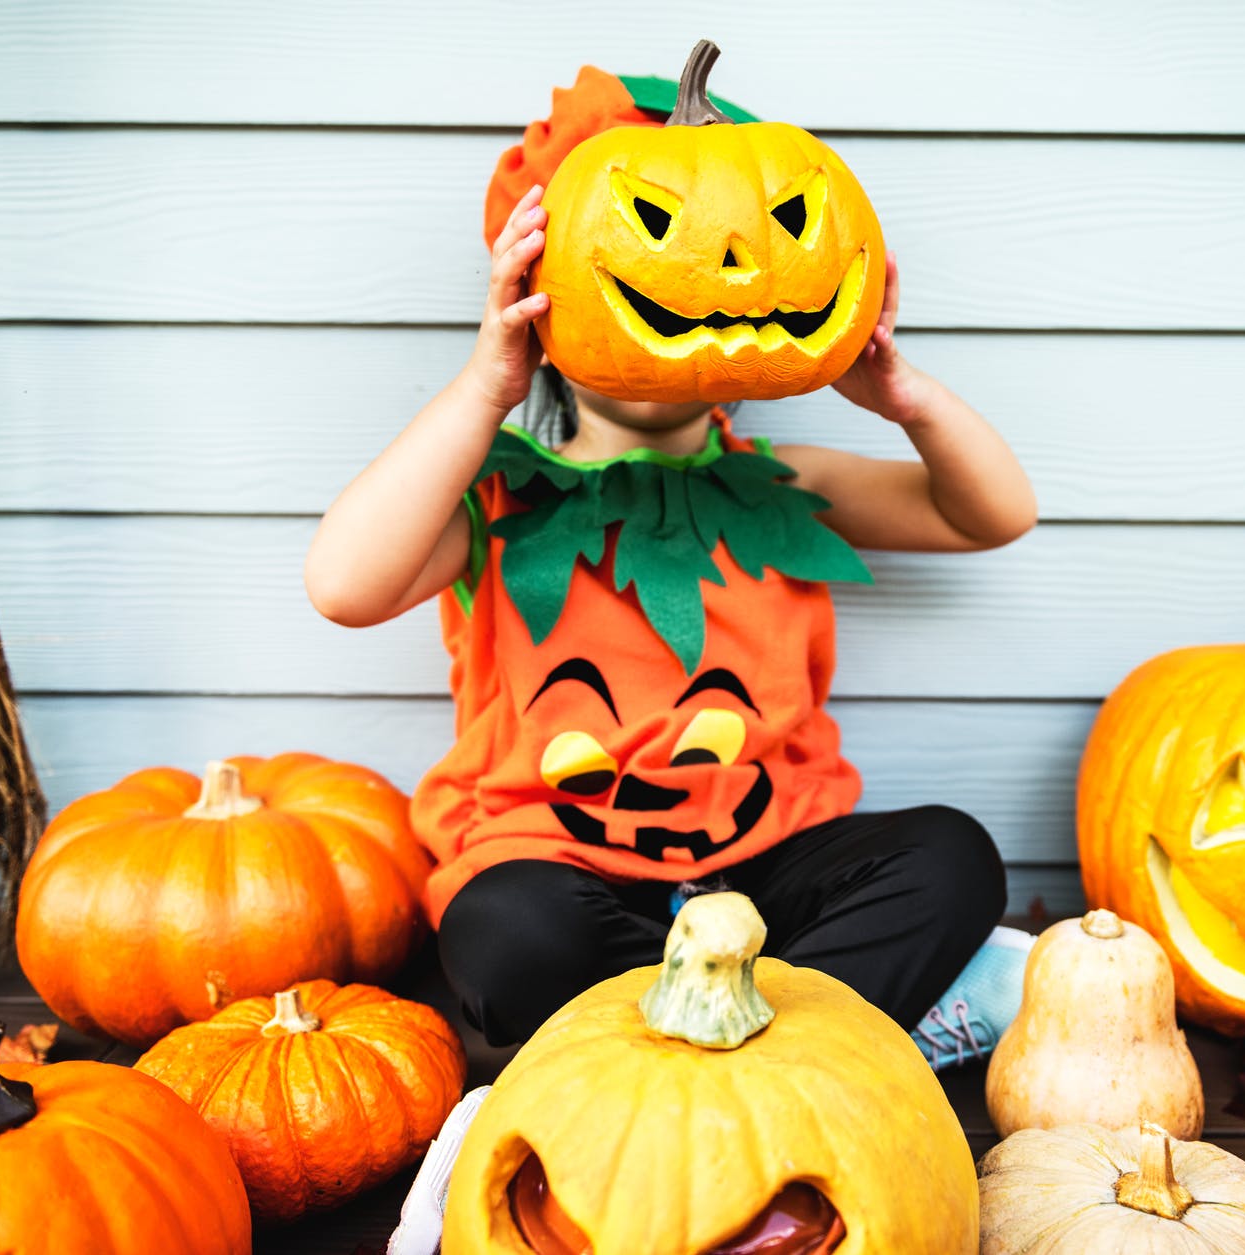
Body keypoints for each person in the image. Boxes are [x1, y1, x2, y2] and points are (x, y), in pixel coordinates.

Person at [306, 72, 1037, 1072]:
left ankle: (688, 1059)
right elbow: (343, 585)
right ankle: (826, 1040)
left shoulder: (781, 479)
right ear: (538, 285)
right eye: (653, 232)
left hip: (766, 862)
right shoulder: (493, 497)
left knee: (950, 857)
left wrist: (901, 393)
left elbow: (989, 514)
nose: (712, 269)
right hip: (561, 866)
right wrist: (487, 384)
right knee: (505, 935)